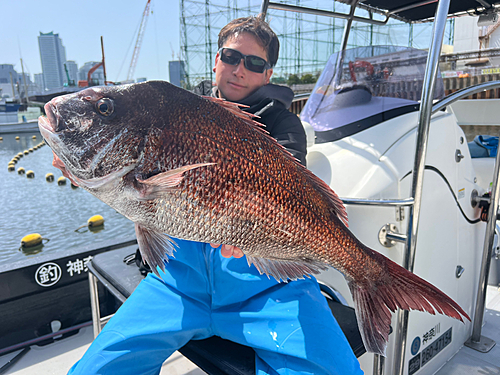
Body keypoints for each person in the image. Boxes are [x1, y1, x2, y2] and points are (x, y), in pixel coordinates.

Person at [66, 16, 362, 375]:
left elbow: (288, 193)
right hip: (178, 282)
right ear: (216, 61)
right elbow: (139, 195)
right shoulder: (176, 110)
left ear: (268, 74)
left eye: (255, 63)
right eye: (232, 56)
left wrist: (254, 227)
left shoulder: (283, 124)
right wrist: (86, 168)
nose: (240, 69)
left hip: (266, 286)